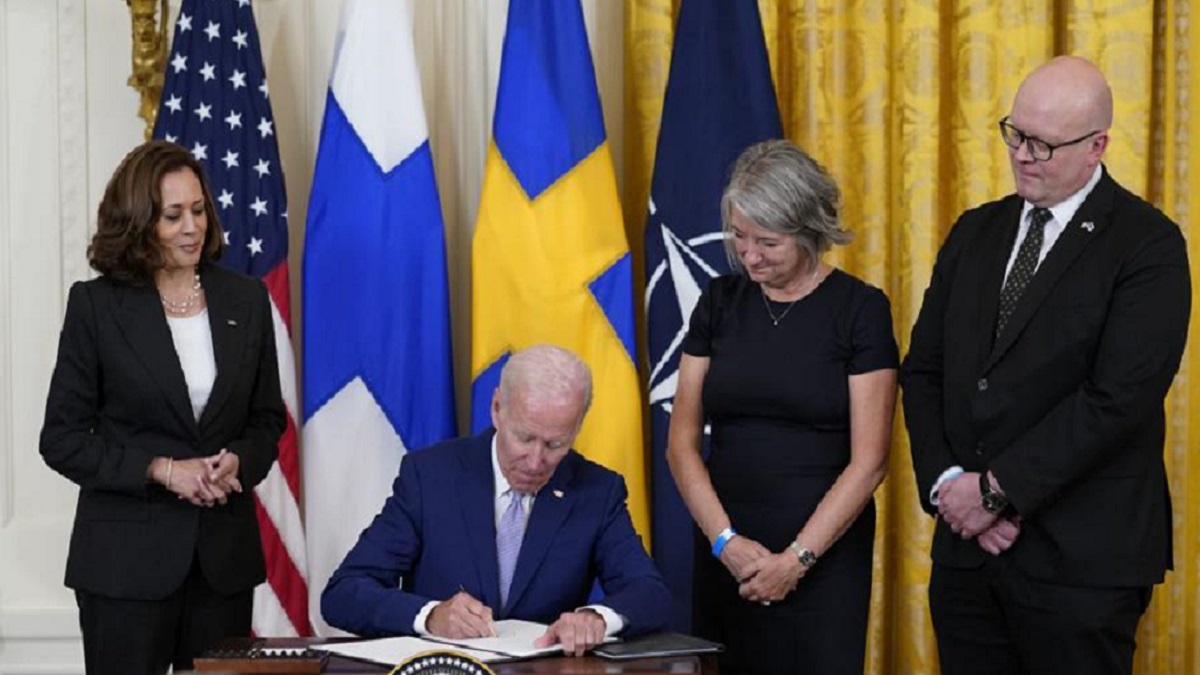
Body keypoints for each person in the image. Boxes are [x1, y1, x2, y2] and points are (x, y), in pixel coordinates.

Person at [902, 56, 1191, 675]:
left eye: (1044, 143)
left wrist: (995, 493)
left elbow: (1118, 399)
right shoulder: (975, 231)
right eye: (1015, 132)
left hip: (1081, 561)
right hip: (968, 557)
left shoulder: (1148, 244)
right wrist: (952, 488)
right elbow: (924, 372)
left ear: (1097, 147)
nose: (1023, 154)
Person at [39, 140, 286, 675]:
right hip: (124, 567)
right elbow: (61, 439)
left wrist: (239, 461)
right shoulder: (96, 307)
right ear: (138, 222)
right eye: (173, 216)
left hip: (222, 566)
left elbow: (268, 420)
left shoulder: (245, 300)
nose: (191, 227)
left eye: (198, 210)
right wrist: (161, 470)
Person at [667, 139, 898, 675]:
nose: (749, 255)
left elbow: (871, 461)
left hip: (821, 559)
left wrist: (795, 561)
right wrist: (725, 542)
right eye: (740, 237)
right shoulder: (719, 302)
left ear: (809, 230)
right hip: (726, 550)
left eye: (767, 242)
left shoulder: (860, 311)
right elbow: (681, 443)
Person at [321, 344, 670, 656]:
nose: (535, 462)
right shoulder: (430, 477)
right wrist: (430, 616)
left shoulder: (597, 490)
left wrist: (596, 618)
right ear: (497, 408)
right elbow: (343, 593)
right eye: (524, 437)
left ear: (577, 428)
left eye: (555, 445)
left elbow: (650, 594)